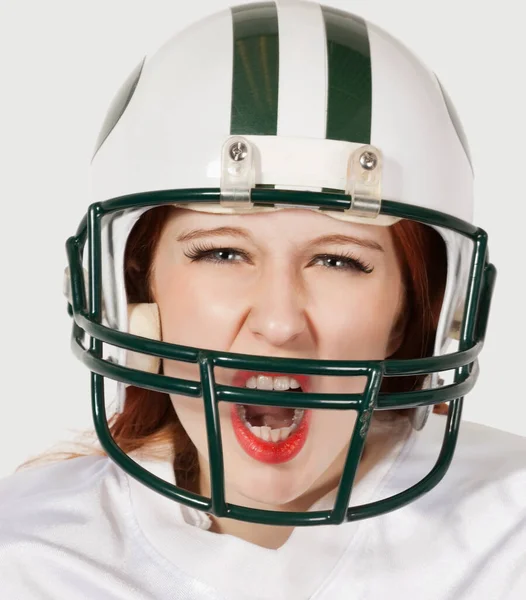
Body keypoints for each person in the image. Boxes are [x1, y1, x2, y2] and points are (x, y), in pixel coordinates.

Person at [1, 1, 525, 598]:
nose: (279, 323)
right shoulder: (27, 556)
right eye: (222, 253)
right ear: (138, 292)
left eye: (340, 261)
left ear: (409, 311)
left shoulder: (510, 538)